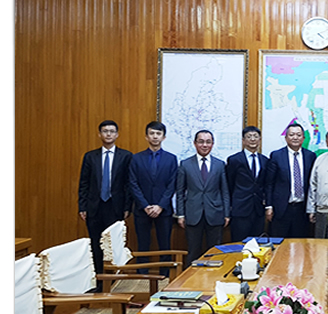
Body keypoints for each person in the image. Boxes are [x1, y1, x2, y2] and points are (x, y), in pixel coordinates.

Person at [78, 120, 133, 290]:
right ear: (99, 134)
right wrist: (82, 207)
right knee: (96, 244)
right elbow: (84, 183)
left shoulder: (126, 156)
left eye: (112, 131)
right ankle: (98, 281)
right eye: (105, 131)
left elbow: (128, 184)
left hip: (115, 207)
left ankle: (113, 281)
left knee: (113, 246)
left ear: (117, 134)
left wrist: (127, 207)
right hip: (94, 207)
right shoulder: (90, 156)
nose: (108, 134)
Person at [128, 121, 178, 276]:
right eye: (152, 133)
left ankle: (165, 275)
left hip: (163, 210)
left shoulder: (171, 159)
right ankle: (142, 274)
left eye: (158, 134)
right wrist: (145, 205)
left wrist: (160, 205)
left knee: (165, 244)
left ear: (164, 137)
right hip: (142, 209)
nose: (155, 136)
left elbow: (172, 185)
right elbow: (133, 183)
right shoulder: (136, 158)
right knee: (143, 244)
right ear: (146, 136)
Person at [176, 130, 230, 266]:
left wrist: (226, 214)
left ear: (213, 144)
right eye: (201, 142)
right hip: (193, 214)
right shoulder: (185, 164)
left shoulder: (220, 164)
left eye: (208, 142)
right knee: (193, 251)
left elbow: (224, 191)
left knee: (215, 252)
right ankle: (190, 278)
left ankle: (214, 277)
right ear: (195, 143)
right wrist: (180, 214)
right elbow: (180, 192)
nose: (204, 145)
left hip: (215, 213)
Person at [265, 123, 317, 238]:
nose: (295, 137)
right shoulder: (276, 156)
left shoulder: (310, 156)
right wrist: (269, 206)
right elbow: (269, 183)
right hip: (281, 209)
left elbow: (313, 183)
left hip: (302, 209)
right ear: (286, 138)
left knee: (300, 243)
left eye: (298, 135)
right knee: (279, 242)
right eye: (292, 135)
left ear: (303, 138)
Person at [226, 126, 269, 242]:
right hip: (240, 209)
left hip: (258, 209)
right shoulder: (234, 160)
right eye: (249, 137)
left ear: (260, 140)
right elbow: (229, 184)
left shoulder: (265, 160)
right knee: (239, 243)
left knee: (257, 244)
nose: (252, 139)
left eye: (255, 136)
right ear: (243, 140)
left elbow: (265, 184)